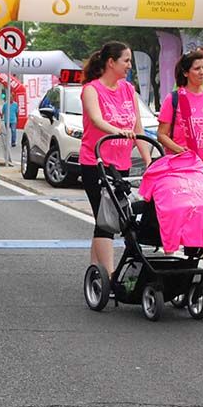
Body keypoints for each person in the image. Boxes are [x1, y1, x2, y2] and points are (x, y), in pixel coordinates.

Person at [156, 50, 203, 287]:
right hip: (180, 168)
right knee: (182, 211)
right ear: (186, 72)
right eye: (197, 68)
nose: (202, 72)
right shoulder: (175, 99)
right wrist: (178, 149)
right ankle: (174, 256)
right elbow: (162, 134)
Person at [80, 41, 153, 274]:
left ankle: (95, 273)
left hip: (121, 165)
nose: (130, 65)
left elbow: (138, 128)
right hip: (96, 163)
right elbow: (96, 119)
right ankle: (109, 277)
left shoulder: (128, 89)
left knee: (108, 219)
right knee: (108, 220)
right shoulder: (92, 89)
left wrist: (149, 160)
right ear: (111, 62)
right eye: (126, 61)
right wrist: (117, 130)